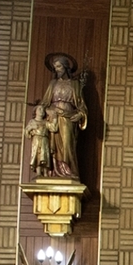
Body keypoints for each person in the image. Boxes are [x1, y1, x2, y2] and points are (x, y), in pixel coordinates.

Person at [38, 52, 87, 180]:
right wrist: (44, 110)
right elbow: (44, 102)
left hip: (68, 118)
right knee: (52, 145)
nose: (57, 70)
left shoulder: (75, 85)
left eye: (59, 67)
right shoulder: (53, 84)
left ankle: (68, 171)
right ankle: (54, 171)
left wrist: (80, 114)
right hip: (53, 117)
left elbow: (82, 106)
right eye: (55, 68)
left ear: (66, 67)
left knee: (67, 145)